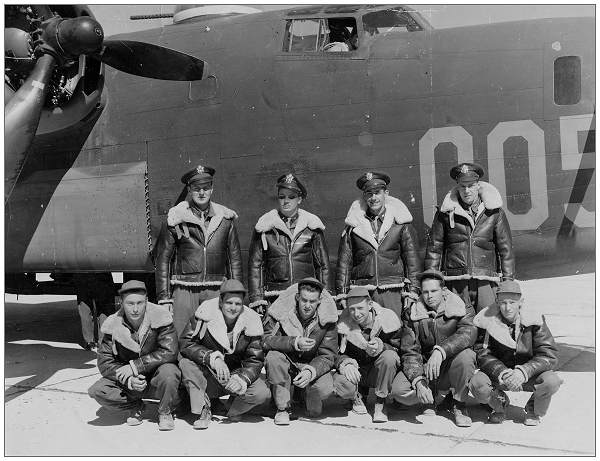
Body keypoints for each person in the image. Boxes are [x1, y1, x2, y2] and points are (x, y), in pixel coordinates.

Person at [154, 165, 243, 335]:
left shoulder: (225, 220)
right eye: (196, 188)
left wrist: (236, 293)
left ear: (211, 189)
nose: (201, 192)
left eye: (206, 188)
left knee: (216, 337)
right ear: (189, 189)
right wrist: (164, 297)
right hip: (184, 289)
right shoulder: (176, 218)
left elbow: (235, 260)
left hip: (216, 288)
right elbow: (163, 259)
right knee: (180, 337)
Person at [88, 280, 181, 431]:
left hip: (157, 378)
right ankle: (135, 406)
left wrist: (135, 366)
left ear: (147, 301)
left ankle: (165, 412)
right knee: (97, 390)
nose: (135, 309)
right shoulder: (112, 325)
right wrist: (129, 379)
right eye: (130, 303)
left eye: (140, 303)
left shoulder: (161, 318)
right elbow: (105, 362)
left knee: (170, 372)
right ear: (121, 303)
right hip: (131, 383)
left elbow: (169, 352)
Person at [178, 279, 270, 429]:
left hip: (232, 375)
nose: (233, 308)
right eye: (229, 303)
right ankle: (204, 408)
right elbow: (186, 344)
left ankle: (231, 409)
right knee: (185, 363)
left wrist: (242, 379)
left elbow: (255, 360)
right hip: (207, 374)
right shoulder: (203, 314)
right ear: (221, 301)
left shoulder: (251, 321)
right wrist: (211, 358)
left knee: (261, 392)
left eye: (238, 304)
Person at [425, 162, 515, 313]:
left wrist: (507, 284)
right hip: (455, 282)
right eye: (462, 186)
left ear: (478, 185)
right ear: (457, 186)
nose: (467, 191)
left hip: (486, 281)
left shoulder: (494, 212)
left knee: (489, 326)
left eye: (471, 185)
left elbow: (506, 250)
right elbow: (435, 249)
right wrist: (431, 283)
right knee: (458, 325)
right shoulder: (445, 213)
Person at [469, 280, 562, 426]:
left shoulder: (534, 320)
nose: (507, 308)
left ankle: (533, 410)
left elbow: (549, 354)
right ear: (497, 302)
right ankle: (499, 405)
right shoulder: (487, 320)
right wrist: (503, 372)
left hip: (527, 375)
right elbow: (482, 353)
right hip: (500, 374)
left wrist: (523, 371)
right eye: (503, 303)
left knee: (552, 381)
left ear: (521, 302)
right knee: (477, 383)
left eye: (512, 302)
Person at [336, 171, 421, 322]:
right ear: (364, 196)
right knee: (366, 335)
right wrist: (342, 292)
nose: (373, 198)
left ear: (385, 193)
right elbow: (344, 261)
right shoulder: (353, 225)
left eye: (377, 192)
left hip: (393, 290)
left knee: (395, 331)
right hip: (363, 290)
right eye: (369, 193)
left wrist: (413, 291)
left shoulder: (400, 223)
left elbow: (412, 260)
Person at [262, 278, 347, 425]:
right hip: (287, 362)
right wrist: (293, 342)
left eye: (312, 301)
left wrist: (311, 371)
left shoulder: (328, 320)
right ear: (297, 297)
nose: (307, 305)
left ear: (319, 300)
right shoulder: (280, 312)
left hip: (310, 364)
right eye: (304, 300)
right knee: (273, 357)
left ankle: (305, 395)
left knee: (323, 390)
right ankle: (282, 408)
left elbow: (328, 355)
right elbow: (265, 340)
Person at [335, 287, 425, 423]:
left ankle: (381, 401)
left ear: (370, 305)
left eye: (360, 308)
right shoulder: (342, 324)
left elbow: (400, 349)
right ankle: (356, 396)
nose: (356, 313)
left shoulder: (387, 321)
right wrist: (345, 363)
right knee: (340, 382)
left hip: (380, 372)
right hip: (358, 371)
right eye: (352, 309)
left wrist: (382, 346)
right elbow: (335, 353)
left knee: (389, 356)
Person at [248, 173, 331, 314]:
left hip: (306, 296)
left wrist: (326, 297)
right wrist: (257, 297)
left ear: (300, 199)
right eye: (282, 197)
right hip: (275, 296)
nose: (286, 201)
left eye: (291, 197)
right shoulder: (265, 227)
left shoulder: (312, 227)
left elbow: (323, 265)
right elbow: (256, 265)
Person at [406, 269, 478, 427]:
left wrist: (441, 350)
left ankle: (459, 405)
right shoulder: (414, 312)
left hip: (450, 369)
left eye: (433, 291)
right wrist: (418, 380)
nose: (429, 296)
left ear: (444, 291)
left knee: (467, 356)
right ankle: (429, 397)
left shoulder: (460, 305)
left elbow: (468, 333)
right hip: (427, 371)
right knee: (400, 392)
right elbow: (410, 350)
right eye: (425, 292)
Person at [71, 272, 117, 352]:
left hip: (81, 273)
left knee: (85, 309)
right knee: (104, 309)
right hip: (102, 273)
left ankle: (89, 342)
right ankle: (103, 342)